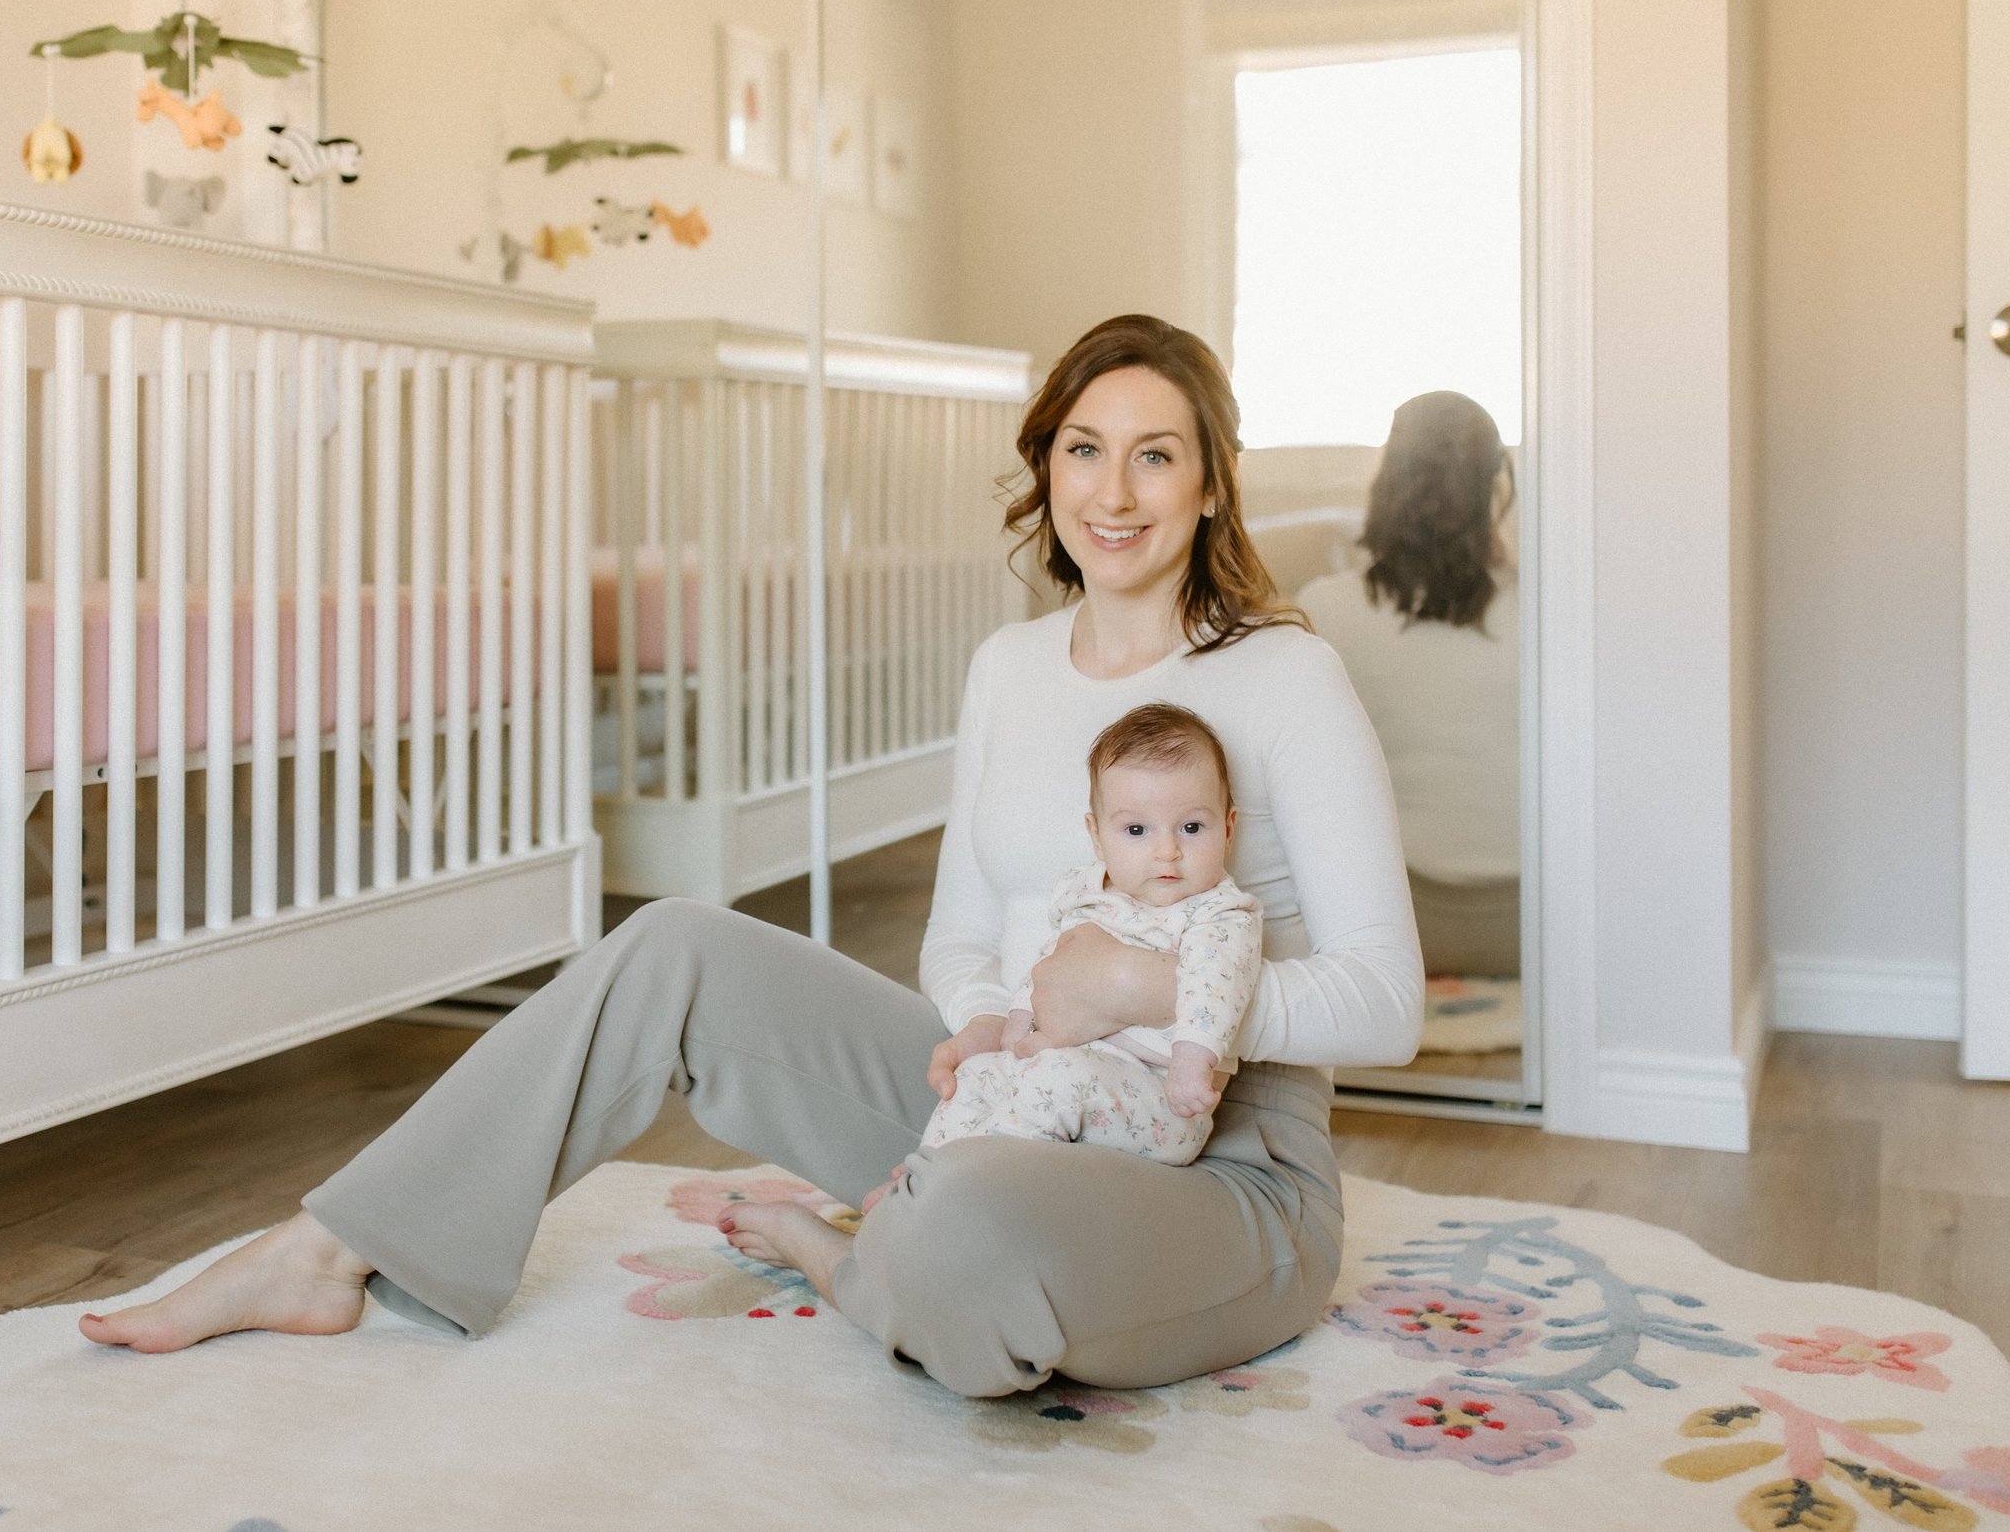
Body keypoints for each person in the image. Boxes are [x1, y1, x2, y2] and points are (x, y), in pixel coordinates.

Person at [78, 312, 1422, 1399]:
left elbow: (1390, 1001)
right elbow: (959, 935)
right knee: (676, 943)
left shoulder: (1283, 675)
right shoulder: (1008, 667)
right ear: (1046, 468)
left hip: (1225, 1165)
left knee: (968, 1243)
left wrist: (1135, 992)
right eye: (1083, 448)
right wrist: (993, 1030)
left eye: (1154, 455)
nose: (1112, 492)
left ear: (1208, 482)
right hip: (1010, 1100)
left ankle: (845, 1251)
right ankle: (326, 1250)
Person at [922, 701, 1262, 1166]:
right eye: (1137, 829)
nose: (1167, 851)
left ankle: (964, 1182)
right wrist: (1016, 1023)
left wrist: (1191, 1063)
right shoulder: (1088, 897)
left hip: (1161, 1100)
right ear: (1098, 836)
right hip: (1070, 1073)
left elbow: (1215, 991)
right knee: (979, 1074)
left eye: (1191, 827)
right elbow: (1049, 967)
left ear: (1227, 829)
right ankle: (926, 1172)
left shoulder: (1220, 913)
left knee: (1056, 1077)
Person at [1295, 391, 1517, 977]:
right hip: (1532, 926)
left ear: (1388, 480)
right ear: (1495, 486)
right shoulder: (1554, 613)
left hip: (1398, 930)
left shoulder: (1324, 609)